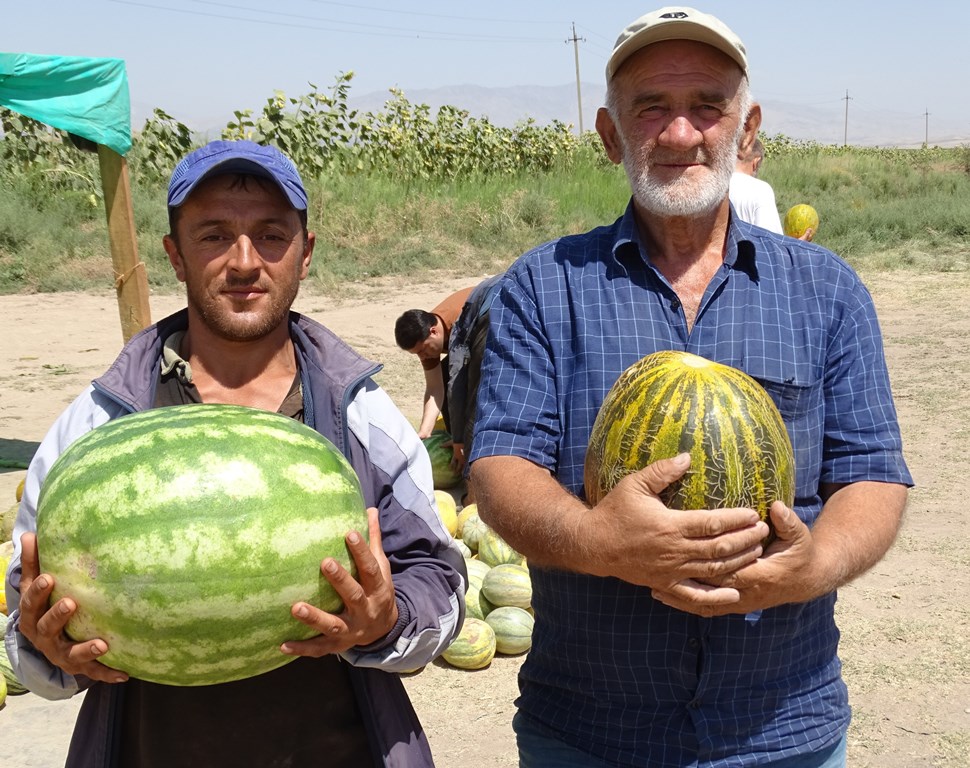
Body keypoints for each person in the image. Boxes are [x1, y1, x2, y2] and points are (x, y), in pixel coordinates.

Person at [469, 7, 911, 768]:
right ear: (611, 134)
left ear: (746, 129)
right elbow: (499, 466)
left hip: (783, 729)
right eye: (651, 109)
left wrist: (816, 565)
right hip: (590, 733)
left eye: (708, 105)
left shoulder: (829, 291)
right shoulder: (541, 288)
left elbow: (872, 470)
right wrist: (597, 543)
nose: (680, 133)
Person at [4, 140, 466, 768]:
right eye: (215, 235)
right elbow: (26, 633)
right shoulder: (95, 426)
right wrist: (45, 653)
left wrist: (386, 622)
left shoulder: (362, 417)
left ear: (305, 255)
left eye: (272, 236)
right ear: (175, 254)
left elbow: (441, 583)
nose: (245, 261)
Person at [394, 274, 501, 488]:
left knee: (471, 387)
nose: (423, 357)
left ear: (433, 331)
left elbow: (459, 387)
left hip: (493, 318)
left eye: (423, 350)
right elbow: (435, 389)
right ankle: (458, 447)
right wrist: (424, 431)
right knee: (444, 374)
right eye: (417, 354)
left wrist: (463, 440)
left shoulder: (455, 324)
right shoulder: (428, 339)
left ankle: (474, 455)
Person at [729, 137, 784, 233]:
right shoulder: (760, 190)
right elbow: (769, 240)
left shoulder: (715, 186)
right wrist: (795, 244)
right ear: (756, 162)